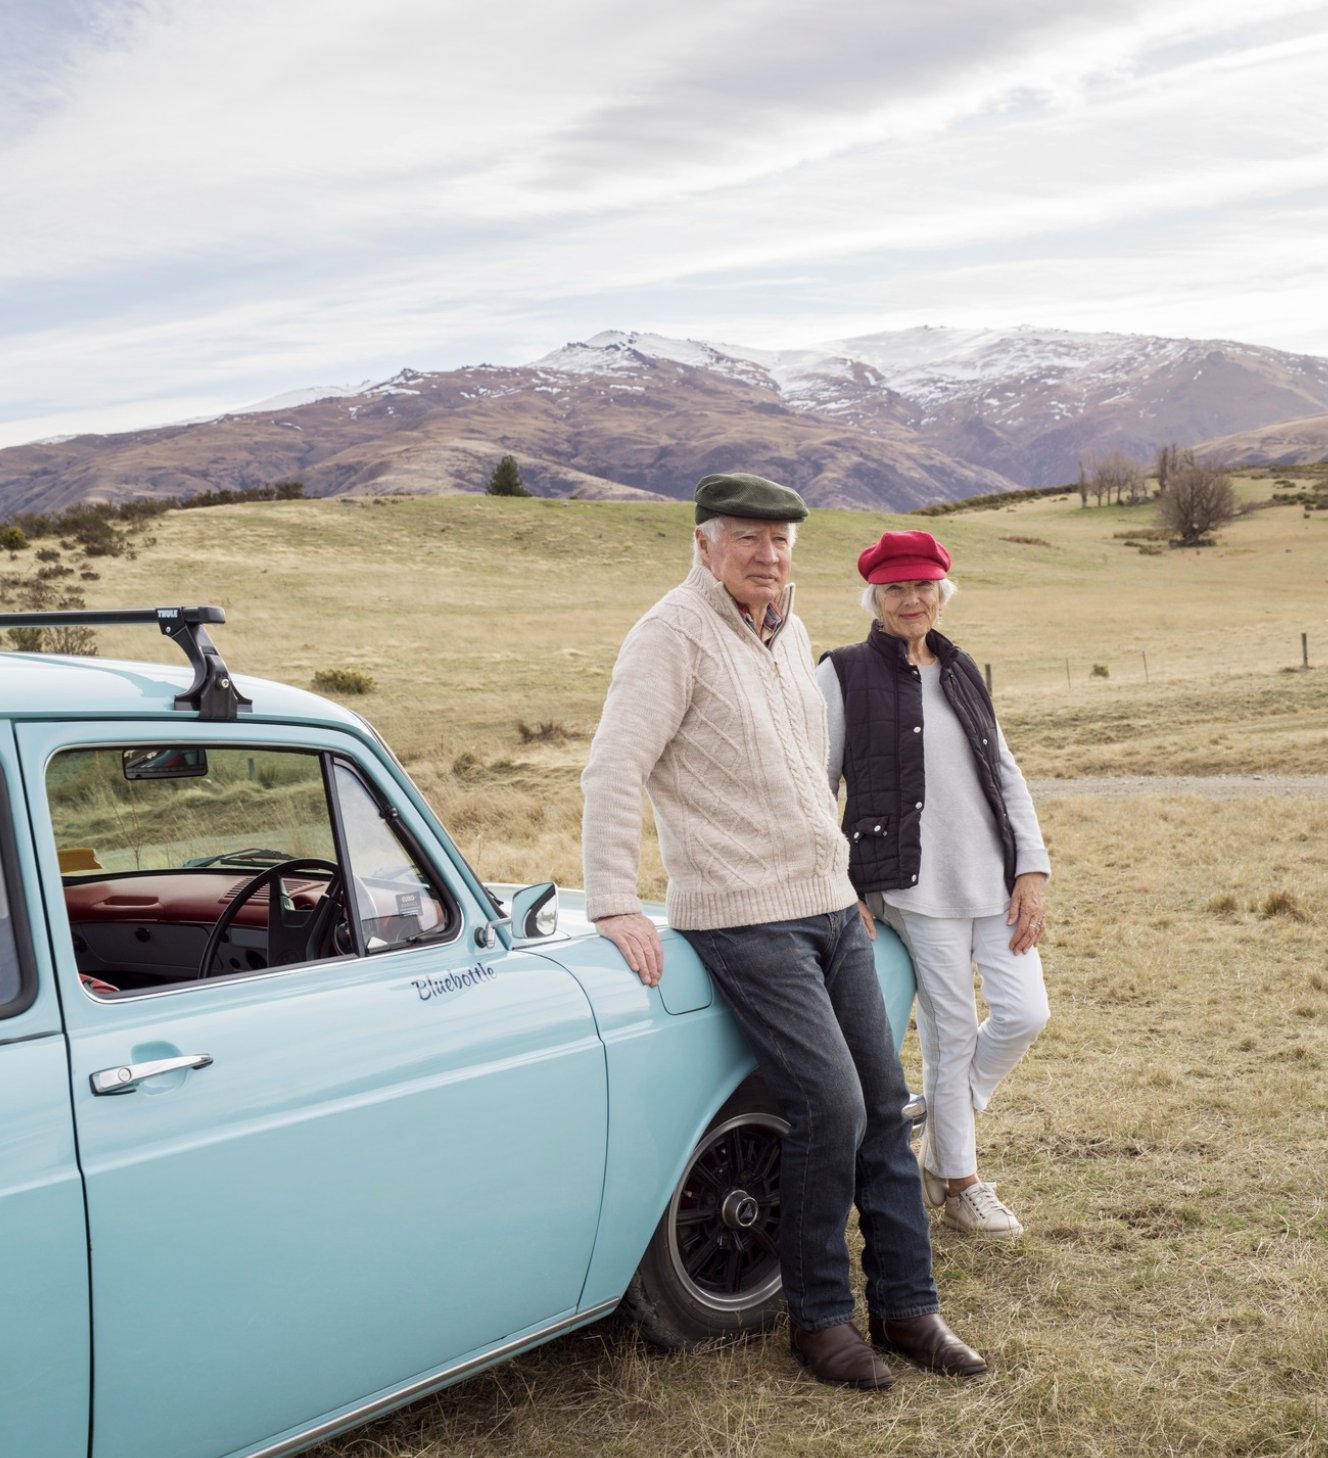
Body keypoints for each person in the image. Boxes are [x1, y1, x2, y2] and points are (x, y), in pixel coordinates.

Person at [581, 474, 986, 1390]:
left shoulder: (788, 628)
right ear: (703, 544)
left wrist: (851, 884)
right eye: (749, 539)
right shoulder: (670, 636)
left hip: (831, 904)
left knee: (884, 1107)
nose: (769, 556)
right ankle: (819, 1320)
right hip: (743, 917)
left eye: (782, 541)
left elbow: (810, 771)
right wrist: (612, 900)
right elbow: (612, 768)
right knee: (829, 1106)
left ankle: (908, 1306)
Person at [816, 529, 1050, 1239]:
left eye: (922, 587)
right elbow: (814, 784)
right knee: (950, 1034)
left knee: (1024, 1013)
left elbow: (1004, 771)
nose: (911, 600)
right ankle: (964, 1185)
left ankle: (947, 1139)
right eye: (895, 589)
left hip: (993, 877)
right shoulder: (842, 672)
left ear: (941, 593)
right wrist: (838, 879)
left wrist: (1032, 867)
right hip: (911, 885)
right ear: (875, 598)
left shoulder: (963, 668)